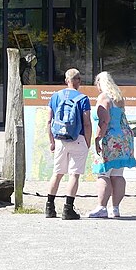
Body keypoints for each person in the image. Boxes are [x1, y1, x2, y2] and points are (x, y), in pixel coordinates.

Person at [87, 71, 135, 219]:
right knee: (118, 174)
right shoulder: (119, 98)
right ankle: (115, 208)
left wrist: (97, 138)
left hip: (109, 138)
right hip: (124, 137)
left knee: (103, 173)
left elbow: (104, 120)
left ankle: (101, 207)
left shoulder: (104, 98)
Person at [46, 68, 93, 220]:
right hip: (77, 138)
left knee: (57, 173)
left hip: (60, 138)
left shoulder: (55, 96)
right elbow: (87, 123)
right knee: (74, 174)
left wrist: (51, 141)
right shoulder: (83, 98)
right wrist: (88, 141)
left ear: (66, 80)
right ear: (78, 80)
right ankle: (68, 209)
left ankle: (49, 207)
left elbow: (49, 121)